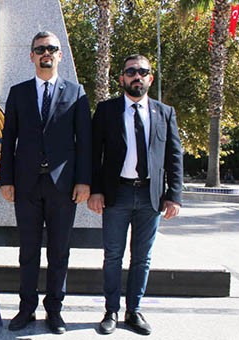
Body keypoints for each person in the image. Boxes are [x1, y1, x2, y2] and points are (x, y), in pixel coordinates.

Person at [0, 31, 92, 333]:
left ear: (60, 55)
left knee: (59, 251)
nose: (46, 53)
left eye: (52, 48)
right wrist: (6, 179)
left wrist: (83, 181)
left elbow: (85, 143)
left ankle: (55, 309)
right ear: (31, 55)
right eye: (40, 49)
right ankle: (26, 309)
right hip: (26, 185)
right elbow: (8, 139)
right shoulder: (18, 92)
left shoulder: (76, 92)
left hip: (62, 187)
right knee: (28, 251)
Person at [88, 54, 183, 335]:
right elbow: (94, 155)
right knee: (113, 255)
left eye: (143, 71)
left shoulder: (165, 113)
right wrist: (95, 190)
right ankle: (111, 312)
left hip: (150, 197)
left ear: (150, 78)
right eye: (131, 71)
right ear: (122, 78)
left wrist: (174, 195)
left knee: (142, 257)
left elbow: (174, 156)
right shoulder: (106, 111)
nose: (137, 76)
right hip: (117, 194)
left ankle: (134, 311)